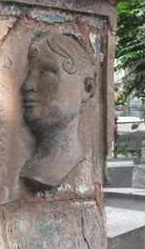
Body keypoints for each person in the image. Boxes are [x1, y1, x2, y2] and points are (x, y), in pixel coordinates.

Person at [20, 31, 96, 190]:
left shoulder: (68, 164)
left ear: (87, 88)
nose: (27, 85)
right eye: (30, 73)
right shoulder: (32, 167)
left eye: (46, 72)